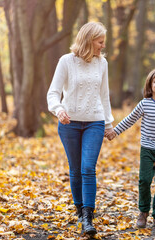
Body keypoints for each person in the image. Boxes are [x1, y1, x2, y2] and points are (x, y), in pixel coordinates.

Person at [47, 22, 114, 236]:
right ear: (88, 39)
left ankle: (88, 216)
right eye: (100, 42)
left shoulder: (102, 63)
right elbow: (53, 93)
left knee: (88, 168)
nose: (103, 46)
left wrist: (108, 123)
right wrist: (58, 109)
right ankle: (79, 209)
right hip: (69, 124)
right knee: (75, 169)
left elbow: (104, 95)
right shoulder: (66, 61)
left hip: (95, 121)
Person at [106, 68, 155, 229]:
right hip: (147, 149)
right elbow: (130, 119)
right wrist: (114, 131)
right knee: (144, 181)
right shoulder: (145, 104)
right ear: (150, 85)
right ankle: (143, 211)